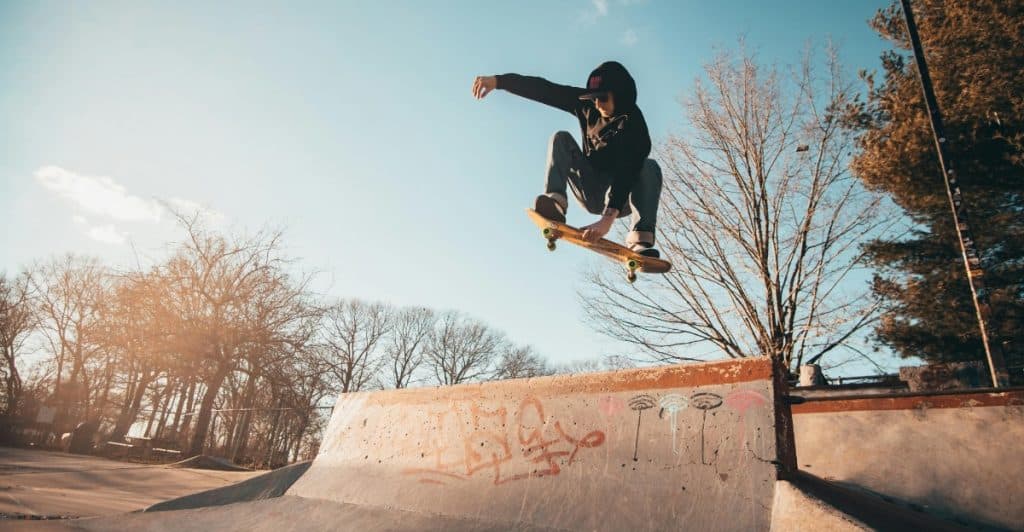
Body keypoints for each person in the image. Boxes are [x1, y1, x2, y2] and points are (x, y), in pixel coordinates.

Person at [472, 61, 663, 258]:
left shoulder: (634, 124)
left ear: (621, 96)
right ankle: (556, 203)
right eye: (594, 98)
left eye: (603, 99)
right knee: (561, 138)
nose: (597, 105)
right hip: (590, 188)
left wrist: (607, 219)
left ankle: (640, 239)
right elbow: (545, 90)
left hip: (621, 197)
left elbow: (628, 171)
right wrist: (499, 81)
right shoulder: (587, 106)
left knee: (648, 167)